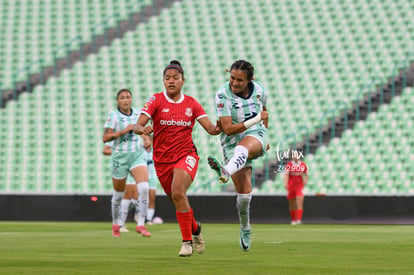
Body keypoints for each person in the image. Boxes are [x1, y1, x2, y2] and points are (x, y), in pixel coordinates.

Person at [134, 60, 221, 257]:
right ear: (163, 81)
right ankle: (196, 229)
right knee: (178, 198)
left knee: (178, 191)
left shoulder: (192, 104)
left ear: (183, 80)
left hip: (186, 155)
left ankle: (187, 242)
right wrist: (143, 130)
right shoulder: (156, 100)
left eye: (175, 78)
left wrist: (220, 126)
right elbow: (137, 126)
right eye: (167, 78)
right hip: (162, 160)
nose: (171, 81)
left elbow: (211, 130)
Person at [207, 60, 269, 252]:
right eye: (232, 78)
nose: (234, 82)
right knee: (244, 194)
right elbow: (227, 129)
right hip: (231, 142)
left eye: (239, 80)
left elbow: (265, 113)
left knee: (245, 146)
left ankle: (225, 170)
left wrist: (264, 132)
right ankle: (245, 228)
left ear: (249, 80)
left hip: (255, 135)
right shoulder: (222, 95)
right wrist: (256, 119)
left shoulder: (259, 91)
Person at [102, 88, 151, 237]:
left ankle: (141, 224)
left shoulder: (137, 114)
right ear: (118, 100)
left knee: (143, 188)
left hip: (137, 155)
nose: (125, 100)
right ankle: (116, 224)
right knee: (118, 195)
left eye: (128, 97)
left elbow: (142, 131)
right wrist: (123, 131)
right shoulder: (114, 115)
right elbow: (105, 138)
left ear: (131, 99)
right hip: (119, 157)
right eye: (122, 97)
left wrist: (147, 139)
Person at [284, 153, 308, 225]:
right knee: (292, 204)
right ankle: (293, 220)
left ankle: (299, 220)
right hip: (291, 186)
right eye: (294, 155)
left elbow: (306, 174)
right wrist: (285, 183)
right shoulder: (289, 165)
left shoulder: (303, 164)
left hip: (299, 186)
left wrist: (305, 181)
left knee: (299, 202)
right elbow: (286, 174)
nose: (295, 157)